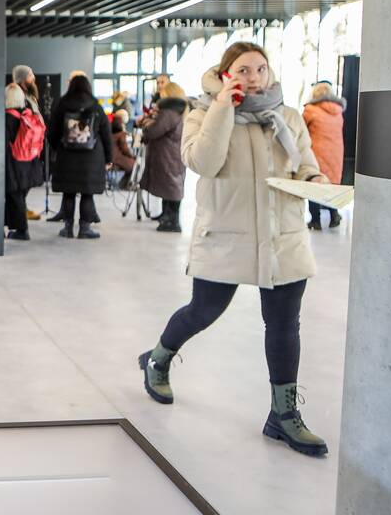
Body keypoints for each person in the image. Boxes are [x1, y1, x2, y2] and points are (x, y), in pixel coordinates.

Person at [138, 42, 330, 458]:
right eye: (243, 69)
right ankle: (157, 359)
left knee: (284, 326)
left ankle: (282, 415)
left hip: (284, 236)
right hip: (226, 235)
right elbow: (202, 162)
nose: (254, 77)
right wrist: (225, 107)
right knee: (203, 311)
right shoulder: (202, 114)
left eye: (261, 68)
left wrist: (314, 180)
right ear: (226, 74)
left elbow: (305, 163)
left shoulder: (288, 116)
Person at [48, 75, 111, 239]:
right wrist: (109, 158)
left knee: (68, 192)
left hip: (67, 156)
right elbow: (106, 133)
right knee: (87, 193)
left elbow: (52, 131)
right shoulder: (95, 106)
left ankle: (68, 228)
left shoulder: (62, 104)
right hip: (91, 157)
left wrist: (57, 147)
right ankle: (85, 228)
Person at [140, 82, 188, 233]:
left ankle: (172, 221)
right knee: (170, 184)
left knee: (171, 185)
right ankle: (166, 215)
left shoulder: (169, 112)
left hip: (168, 154)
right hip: (173, 154)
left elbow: (155, 131)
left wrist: (148, 125)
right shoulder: (180, 110)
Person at [4, 65, 45, 240]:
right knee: (18, 192)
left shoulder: (12, 113)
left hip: (15, 156)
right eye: (30, 75)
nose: (33, 77)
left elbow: (8, 136)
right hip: (31, 154)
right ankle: (14, 225)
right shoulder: (32, 104)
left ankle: (21, 229)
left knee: (14, 193)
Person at [303, 81, 346, 230]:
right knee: (331, 185)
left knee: (314, 184)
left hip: (317, 152)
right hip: (336, 152)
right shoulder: (338, 111)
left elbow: (302, 132)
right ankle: (334, 216)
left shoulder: (310, 110)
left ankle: (315, 220)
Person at [109, 116, 136, 185]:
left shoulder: (109, 133)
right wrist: (132, 156)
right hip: (116, 158)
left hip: (109, 157)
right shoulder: (121, 135)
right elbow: (125, 149)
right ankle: (125, 184)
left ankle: (123, 184)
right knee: (134, 164)